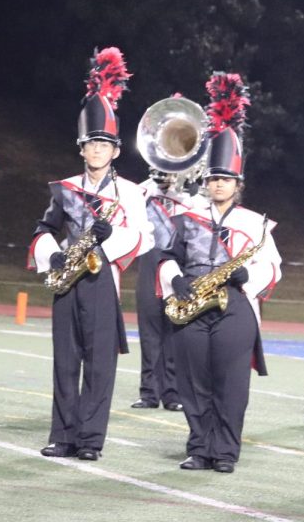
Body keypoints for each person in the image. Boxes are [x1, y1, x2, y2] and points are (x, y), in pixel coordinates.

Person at [30, 48, 153, 460]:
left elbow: (144, 237)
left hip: (103, 281)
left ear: (116, 150)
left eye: (104, 144)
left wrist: (110, 237)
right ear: (81, 149)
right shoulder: (64, 188)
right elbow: (43, 230)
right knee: (65, 362)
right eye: (90, 144)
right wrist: (53, 257)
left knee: (99, 367)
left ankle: (89, 441)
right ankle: (62, 436)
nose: (97, 150)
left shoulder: (131, 192)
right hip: (67, 282)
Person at [159, 73, 282, 474]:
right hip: (193, 301)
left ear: (237, 184)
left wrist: (250, 277)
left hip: (235, 307)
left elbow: (272, 266)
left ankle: (225, 451)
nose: (217, 185)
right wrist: (175, 279)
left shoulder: (254, 223)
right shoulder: (186, 216)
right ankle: (198, 447)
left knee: (231, 384)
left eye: (224, 179)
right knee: (194, 383)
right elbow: (166, 255)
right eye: (212, 179)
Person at [131, 168, 190, 412]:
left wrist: (186, 191)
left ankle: (173, 393)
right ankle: (149, 392)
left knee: (175, 330)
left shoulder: (190, 195)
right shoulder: (140, 192)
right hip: (150, 263)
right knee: (150, 331)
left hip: (179, 266)